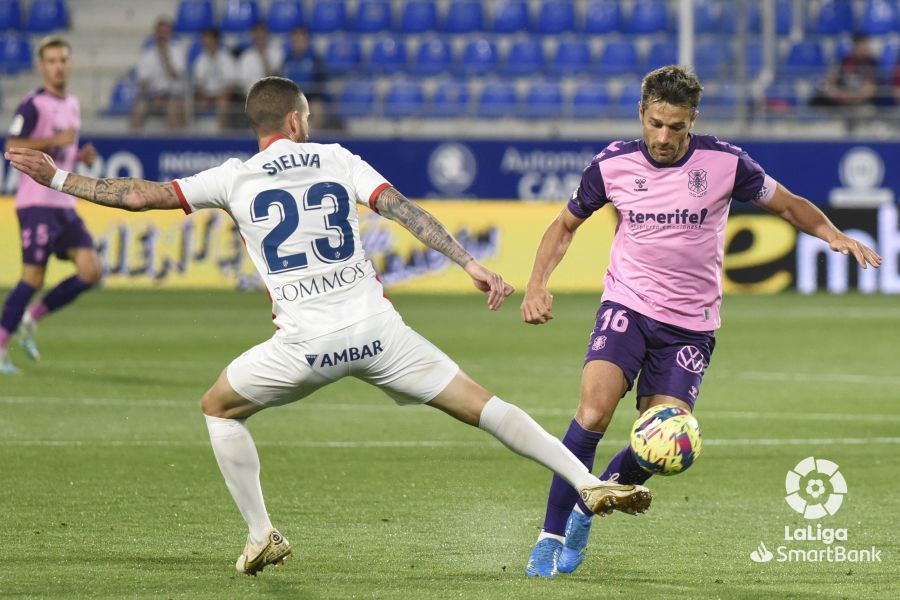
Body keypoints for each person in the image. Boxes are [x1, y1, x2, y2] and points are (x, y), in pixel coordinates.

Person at [5, 76, 652, 576]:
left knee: (218, 408)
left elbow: (138, 195)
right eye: (307, 115)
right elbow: (403, 211)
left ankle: (262, 533)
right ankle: (586, 481)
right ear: (295, 119)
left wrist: (56, 176)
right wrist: (470, 264)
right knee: (485, 405)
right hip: (379, 329)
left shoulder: (233, 176)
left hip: (308, 343)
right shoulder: (337, 158)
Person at [520, 65, 882, 578]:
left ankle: (587, 507)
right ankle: (549, 534)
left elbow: (789, 205)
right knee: (593, 414)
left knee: (660, 443)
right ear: (641, 114)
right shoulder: (611, 165)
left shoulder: (725, 163)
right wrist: (537, 283)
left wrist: (832, 234)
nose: (664, 137)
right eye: (656, 123)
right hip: (628, 305)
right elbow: (564, 225)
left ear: (693, 121)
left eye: (676, 127)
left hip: (690, 326)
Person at [1, 36, 101, 375]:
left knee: (91, 271)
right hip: (36, 203)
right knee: (32, 277)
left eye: (63, 60)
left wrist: (79, 156)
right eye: (52, 61)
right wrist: (53, 141)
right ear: (42, 67)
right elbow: (12, 145)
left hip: (64, 201)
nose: (58, 66)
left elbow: (62, 155)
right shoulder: (33, 105)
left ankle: (32, 318)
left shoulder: (71, 103)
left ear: (69, 64)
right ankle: (0, 346)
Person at [130, 17, 187, 130]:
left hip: (173, 95)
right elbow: (142, 80)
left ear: (170, 33)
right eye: (160, 33)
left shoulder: (178, 51)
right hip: (152, 95)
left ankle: (171, 145)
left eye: (165, 33)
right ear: (155, 33)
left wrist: (166, 59)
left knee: (173, 109)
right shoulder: (147, 54)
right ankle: (134, 143)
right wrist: (151, 92)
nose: (162, 36)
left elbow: (176, 76)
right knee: (138, 108)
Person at [811, 34, 879, 109]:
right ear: (855, 45)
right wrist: (837, 93)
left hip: (859, 101)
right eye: (862, 44)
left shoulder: (872, 62)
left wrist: (853, 96)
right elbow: (830, 80)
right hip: (841, 98)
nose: (865, 47)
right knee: (818, 99)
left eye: (866, 44)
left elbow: (870, 88)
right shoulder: (845, 60)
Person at [191, 28, 239, 129]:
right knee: (194, 102)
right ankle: (197, 133)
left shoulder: (226, 58)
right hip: (206, 95)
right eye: (205, 40)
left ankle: (221, 134)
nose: (206, 43)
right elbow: (198, 84)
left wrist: (219, 96)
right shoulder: (200, 60)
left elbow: (232, 84)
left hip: (223, 94)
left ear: (216, 41)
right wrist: (205, 95)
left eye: (209, 40)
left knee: (222, 103)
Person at [237, 23, 284, 93]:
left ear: (267, 35)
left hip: (274, 93)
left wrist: (264, 57)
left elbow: (278, 78)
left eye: (262, 35)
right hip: (252, 95)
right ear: (252, 36)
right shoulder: (246, 57)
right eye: (257, 35)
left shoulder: (277, 53)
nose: (260, 37)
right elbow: (243, 82)